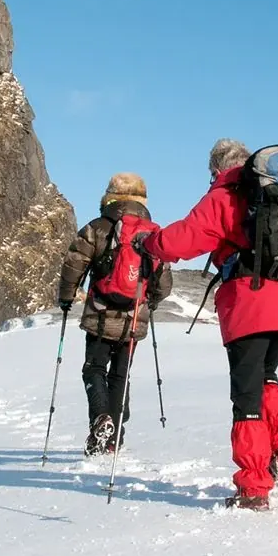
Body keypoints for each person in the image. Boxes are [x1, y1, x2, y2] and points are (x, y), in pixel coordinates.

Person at [134, 139, 278, 511]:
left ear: (216, 168)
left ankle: (254, 487)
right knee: (265, 373)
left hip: (250, 304)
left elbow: (184, 240)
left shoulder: (227, 194)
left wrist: (150, 245)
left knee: (246, 395)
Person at [56, 173, 173, 457]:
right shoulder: (154, 233)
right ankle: (114, 437)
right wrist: (151, 301)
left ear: (109, 197)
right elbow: (163, 282)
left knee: (94, 369)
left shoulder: (97, 228)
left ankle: (100, 420)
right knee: (120, 374)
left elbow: (75, 263)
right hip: (134, 318)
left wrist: (66, 296)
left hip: (100, 313)